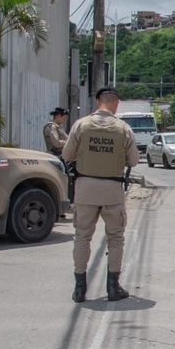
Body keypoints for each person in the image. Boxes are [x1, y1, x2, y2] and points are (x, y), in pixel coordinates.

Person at [61, 87, 139, 302]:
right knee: (115, 239)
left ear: (97, 102)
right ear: (117, 103)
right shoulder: (123, 129)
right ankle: (113, 288)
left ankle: (79, 289)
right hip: (112, 190)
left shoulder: (81, 125)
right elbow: (133, 161)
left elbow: (67, 154)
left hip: (85, 188)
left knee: (82, 237)